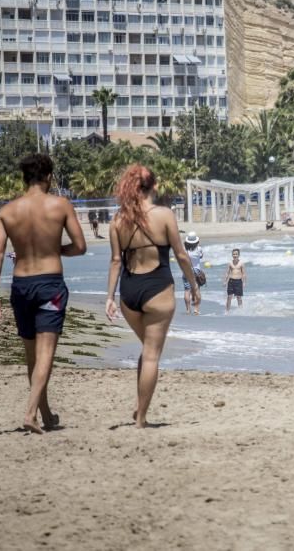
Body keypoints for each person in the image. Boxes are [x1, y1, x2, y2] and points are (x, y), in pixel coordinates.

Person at [0, 154, 87, 434]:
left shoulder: (7, 211)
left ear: (24, 177)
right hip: (50, 286)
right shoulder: (60, 205)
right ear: (49, 177)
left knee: (32, 355)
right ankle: (31, 413)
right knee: (45, 356)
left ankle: (45, 412)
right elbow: (80, 246)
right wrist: (56, 250)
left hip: (20, 285)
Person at [105, 164, 199, 429]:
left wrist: (109, 297)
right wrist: (193, 286)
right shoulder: (164, 215)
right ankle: (142, 419)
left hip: (129, 292)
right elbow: (181, 255)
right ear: (153, 186)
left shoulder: (117, 220)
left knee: (147, 351)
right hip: (157, 288)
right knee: (151, 356)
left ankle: (138, 406)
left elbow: (115, 261)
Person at [182, 232, 204, 315]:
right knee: (196, 290)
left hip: (186, 271)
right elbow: (201, 256)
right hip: (196, 271)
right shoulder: (199, 249)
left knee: (187, 290)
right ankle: (196, 309)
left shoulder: (184, 249)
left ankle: (188, 310)